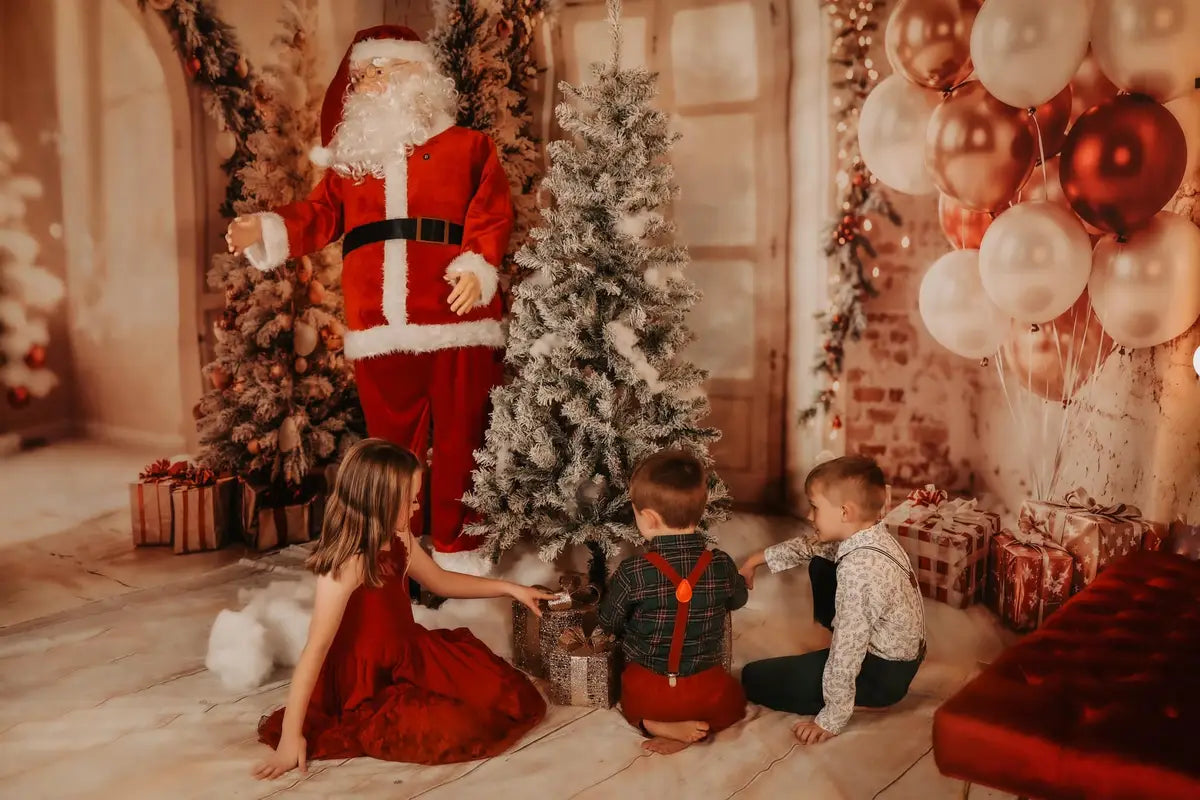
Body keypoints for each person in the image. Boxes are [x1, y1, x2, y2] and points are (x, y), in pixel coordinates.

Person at [226, 26, 512, 576]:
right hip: (376, 319)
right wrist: (263, 228)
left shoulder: (469, 147)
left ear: (422, 76)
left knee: (460, 437)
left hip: (456, 314)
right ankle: (396, 549)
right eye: (366, 74)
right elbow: (316, 216)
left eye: (389, 69)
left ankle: (460, 554)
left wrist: (478, 263)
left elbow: (492, 212)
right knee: (388, 447)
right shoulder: (349, 166)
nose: (375, 83)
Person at [252, 438, 551, 779]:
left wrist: (510, 588)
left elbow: (439, 580)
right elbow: (315, 650)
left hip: (409, 654)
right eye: (409, 499)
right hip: (366, 682)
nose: (415, 507)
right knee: (453, 727)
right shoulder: (347, 563)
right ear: (380, 502)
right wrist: (291, 737)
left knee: (503, 692)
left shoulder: (398, 537)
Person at [738, 455, 925, 745]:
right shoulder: (868, 532)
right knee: (820, 561)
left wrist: (831, 719)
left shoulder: (860, 569)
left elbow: (847, 650)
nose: (809, 516)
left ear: (844, 512)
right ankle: (831, 661)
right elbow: (808, 547)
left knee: (753, 678)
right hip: (898, 656)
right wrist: (754, 561)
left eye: (814, 507)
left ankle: (868, 699)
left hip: (882, 674)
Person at [598, 450, 748, 756]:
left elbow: (608, 622)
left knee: (629, 694)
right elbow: (738, 599)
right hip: (706, 690)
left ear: (649, 518)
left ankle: (654, 723)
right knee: (733, 701)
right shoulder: (721, 564)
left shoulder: (633, 571)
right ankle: (697, 725)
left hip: (650, 691)